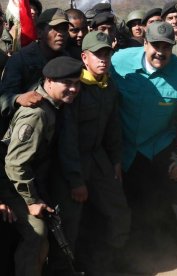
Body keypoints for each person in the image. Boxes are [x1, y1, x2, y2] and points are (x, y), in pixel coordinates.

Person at [110, 21, 177, 275]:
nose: (160, 52)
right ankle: (131, 255)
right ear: (145, 43)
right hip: (126, 147)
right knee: (130, 201)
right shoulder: (118, 61)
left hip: (160, 142)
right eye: (155, 46)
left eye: (167, 47)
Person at [48, 31, 131, 275]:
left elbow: (113, 127)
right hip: (71, 162)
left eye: (107, 53)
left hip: (99, 158)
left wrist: (115, 161)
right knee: (70, 223)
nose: (103, 59)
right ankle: (64, 270)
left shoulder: (109, 84)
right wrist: (75, 180)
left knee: (118, 211)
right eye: (97, 55)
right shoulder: (75, 86)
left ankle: (108, 264)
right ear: (85, 57)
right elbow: (67, 138)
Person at [0, 56, 83, 276]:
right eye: (67, 83)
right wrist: (32, 201)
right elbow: (15, 165)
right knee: (36, 234)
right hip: (10, 184)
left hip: (31, 179)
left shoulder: (53, 104)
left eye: (77, 83)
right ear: (49, 81)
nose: (74, 89)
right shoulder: (36, 114)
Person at [0, 8, 71, 135]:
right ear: (39, 32)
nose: (61, 33)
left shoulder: (69, 62)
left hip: (59, 133)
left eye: (64, 29)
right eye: (55, 28)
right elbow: (3, 99)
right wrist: (18, 98)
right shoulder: (20, 60)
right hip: (27, 132)